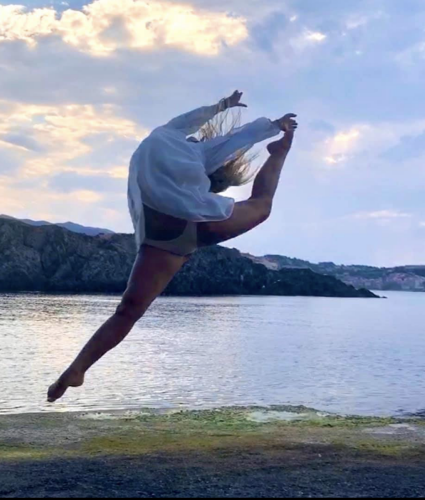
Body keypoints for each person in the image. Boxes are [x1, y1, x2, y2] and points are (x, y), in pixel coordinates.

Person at [48, 91, 298, 402]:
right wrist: (271, 125)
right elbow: (231, 138)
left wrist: (224, 106)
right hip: (193, 225)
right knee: (261, 205)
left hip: (161, 235)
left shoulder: (164, 137)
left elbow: (199, 122)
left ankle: (77, 369)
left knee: (127, 312)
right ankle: (280, 153)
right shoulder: (193, 150)